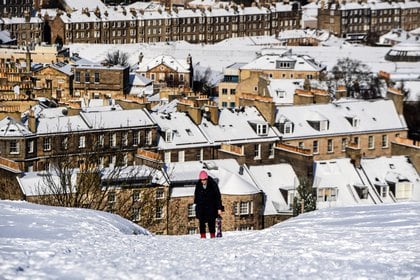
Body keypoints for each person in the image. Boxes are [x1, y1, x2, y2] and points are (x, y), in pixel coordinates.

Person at [194, 170, 223, 238]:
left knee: (211, 222)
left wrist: (219, 208)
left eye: (204, 180)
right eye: (201, 180)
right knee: (201, 223)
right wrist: (196, 207)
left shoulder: (213, 184)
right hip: (201, 207)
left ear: (206, 179)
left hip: (211, 207)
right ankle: (203, 236)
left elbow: (218, 196)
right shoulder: (198, 185)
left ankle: (212, 236)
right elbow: (196, 196)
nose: (202, 181)